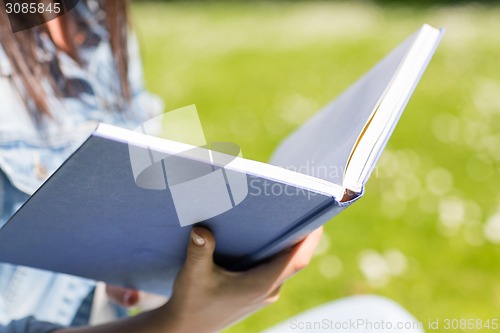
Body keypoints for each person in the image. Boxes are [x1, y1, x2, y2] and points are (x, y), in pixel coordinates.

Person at [0, 0, 324, 332]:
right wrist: (176, 323)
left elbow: (134, 181)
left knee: (375, 316)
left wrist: (152, 267)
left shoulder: (95, 14)